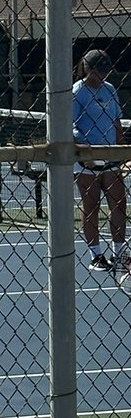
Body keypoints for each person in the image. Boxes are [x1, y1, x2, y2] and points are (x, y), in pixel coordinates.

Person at [73, 49, 126, 273]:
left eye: (106, 71)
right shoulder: (77, 92)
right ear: (88, 69)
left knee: (119, 204)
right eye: (98, 71)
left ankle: (120, 253)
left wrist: (121, 152)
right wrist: (83, 148)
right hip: (87, 161)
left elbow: (116, 122)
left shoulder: (110, 90)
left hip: (110, 158)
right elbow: (69, 125)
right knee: (91, 206)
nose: (102, 76)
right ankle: (96, 254)